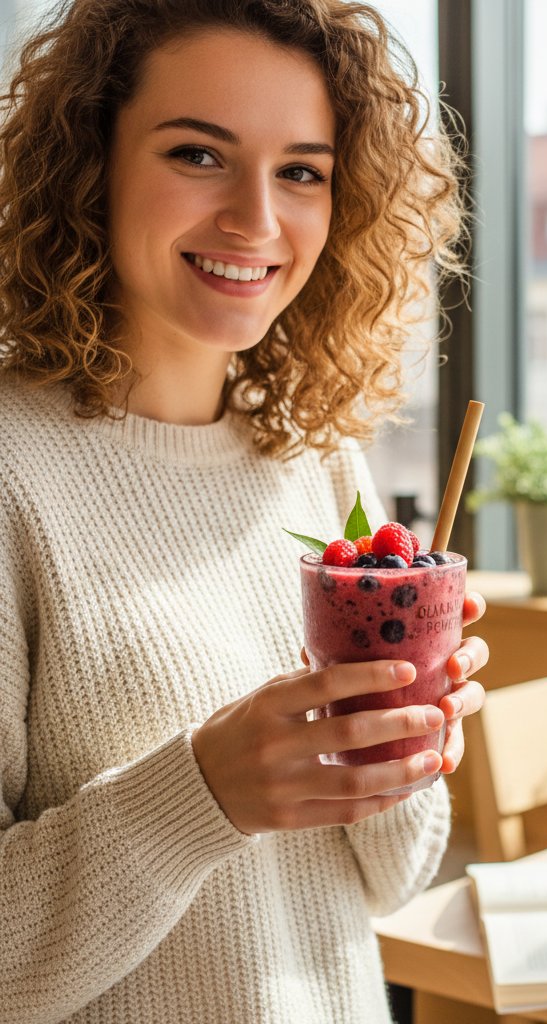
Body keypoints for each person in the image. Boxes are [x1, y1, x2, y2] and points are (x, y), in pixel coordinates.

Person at [0, 1, 487, 1021]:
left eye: (302, 170)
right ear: (90, 163)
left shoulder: (316, 455)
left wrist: (407, 731)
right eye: (198, 154)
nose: (257, 220)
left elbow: (387, 875)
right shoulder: (12, 470)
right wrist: (202, 794)